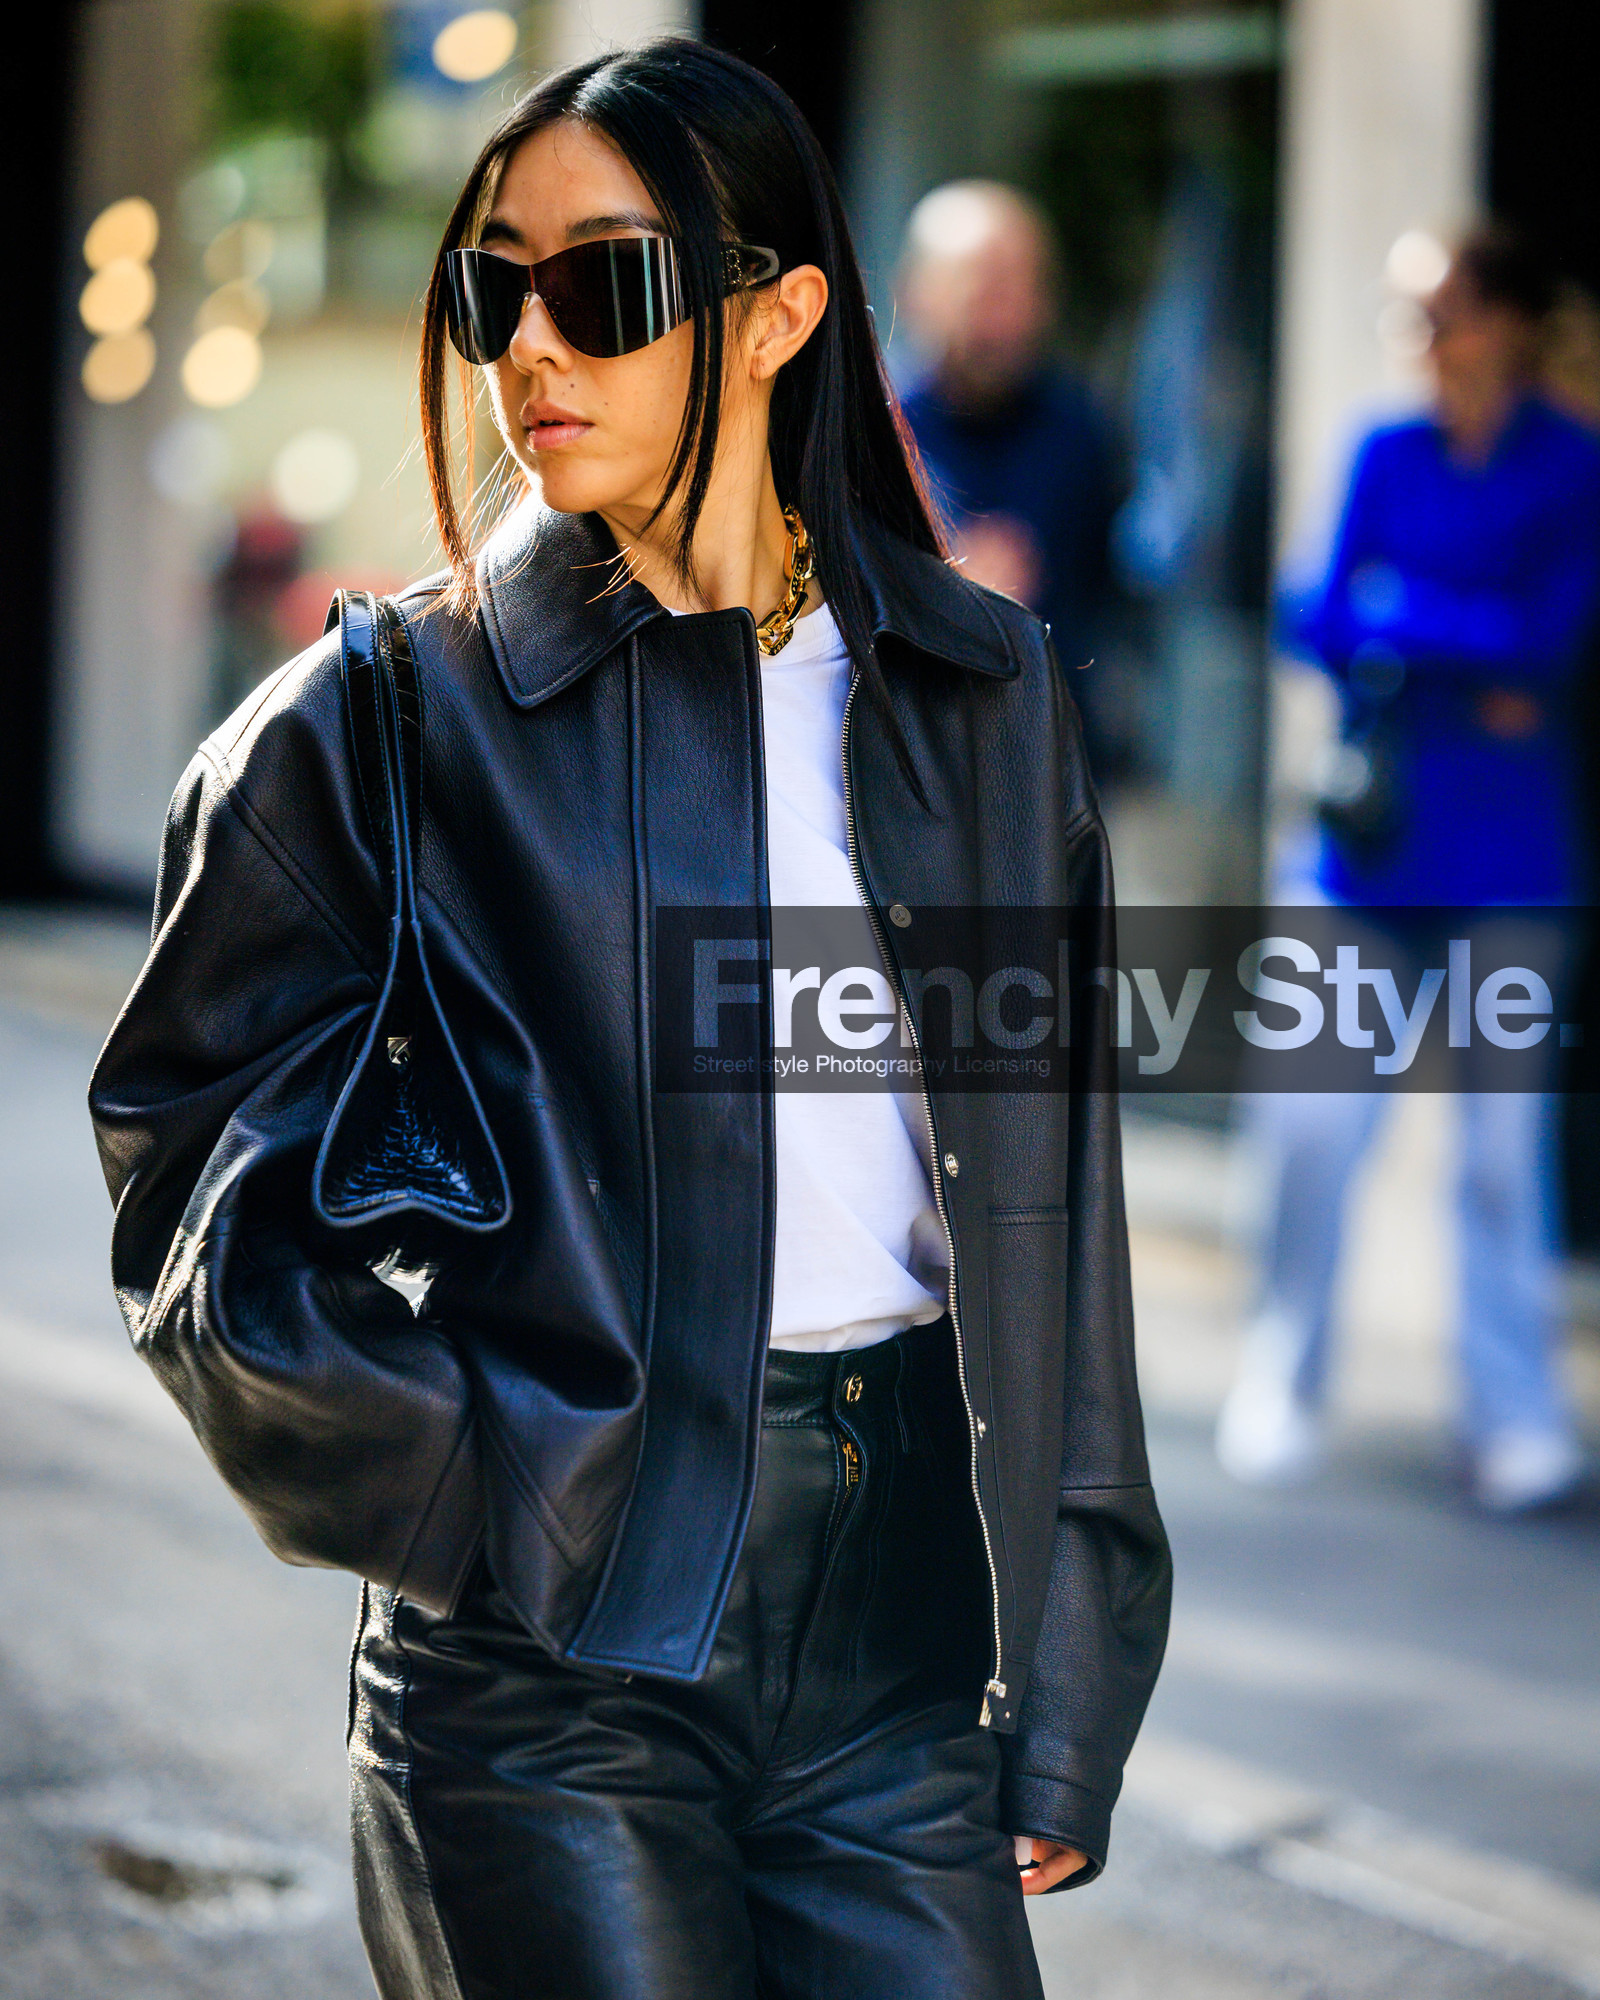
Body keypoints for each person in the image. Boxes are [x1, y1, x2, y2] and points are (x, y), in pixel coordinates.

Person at [87, 41, 1169, 2000]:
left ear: (776, 318)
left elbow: (1052, 1202)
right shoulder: (380, 718)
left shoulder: (982, 694)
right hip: (547, 1687)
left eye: (604, 284)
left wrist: (1075, 1655)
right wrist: (469, 1491)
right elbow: (187, 1193)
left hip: (902, 1669)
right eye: (491, 285)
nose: (527, 344)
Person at [1218, 226, 1600, 1512]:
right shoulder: (1380, 447)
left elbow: (1551, 644)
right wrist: (1460, 643)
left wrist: (1403, 616)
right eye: (1406, 316)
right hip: (1364, 854)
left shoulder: (1573, 462)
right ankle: (1282, 1374)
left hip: (1510, 863)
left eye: (1438, 314)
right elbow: (1313, 611)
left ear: (1505, 323)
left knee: (1498, 1157)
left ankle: (1513, 1414)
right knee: (1311, 1127)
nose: (1418, 341)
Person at [896, 182, 1124, 771]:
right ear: (917, 292)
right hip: (906, 761)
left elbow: (1103, 592)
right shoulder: (863, 430)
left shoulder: (1078, 432)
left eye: (1023, 284)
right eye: (983, 284)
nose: (1003, 312)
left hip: (1049, 759)